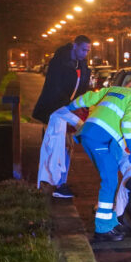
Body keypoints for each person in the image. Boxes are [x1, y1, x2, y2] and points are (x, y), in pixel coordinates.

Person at [63, 74, 131, 242]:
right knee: (110, 181)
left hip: (89, 134)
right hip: (101, 138)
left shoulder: (114, 89)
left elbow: (89, 98)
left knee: (110, 178)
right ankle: (102, 229)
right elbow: (127, 125)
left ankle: (110, 221)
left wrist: (69, 107)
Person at [33, 35, 92, 198]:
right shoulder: (59, 62)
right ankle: (52, 183)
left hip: (68, 110)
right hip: (56, 110)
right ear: (74, 46)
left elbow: (83, 87)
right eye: (83, 49)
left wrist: (80, 105)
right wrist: (70, 106)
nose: (85, 53)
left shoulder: (82, 64)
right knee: (54, 146)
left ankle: (59, 183)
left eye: (88, 50)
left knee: (66, 147)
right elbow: (54, 87)